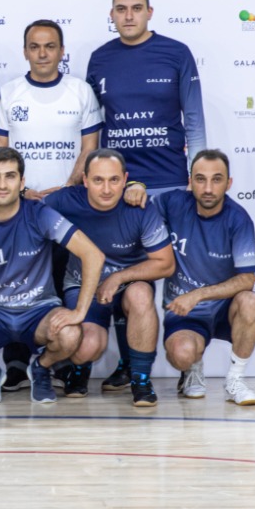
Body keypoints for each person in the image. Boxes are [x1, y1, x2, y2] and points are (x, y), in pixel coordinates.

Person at [85, 0, 206, 390]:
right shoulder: (100, 59)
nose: (129, 15)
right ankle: (129, 365)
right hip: (117, 190)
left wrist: (195, 177)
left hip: (171, 184)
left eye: (137, 8)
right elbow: (94, 127)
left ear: (149, 12)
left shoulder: (176, 53)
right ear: (112, 14)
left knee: (181, 277)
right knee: (127, 278)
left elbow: (194, 118)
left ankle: (191, 367)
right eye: (121, 9)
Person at [0, 148, 105, 406]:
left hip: (38, 311)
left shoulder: (40, 214)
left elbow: (93, 255)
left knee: (71, 333)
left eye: (10, 176)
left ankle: (41, 367)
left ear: (21, 182)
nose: (3, 185)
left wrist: (80, 311)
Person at [0, 19, 102, 391]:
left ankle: (60, 362)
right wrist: (21, 191)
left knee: (59, 283)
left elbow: (90, 148)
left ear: (62, 51)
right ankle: (15, 363)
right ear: (25, 51)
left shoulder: (80, 92)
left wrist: (68, 186)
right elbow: (0, 152)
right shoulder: (9, 93)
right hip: (20, 206)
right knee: (17, 285)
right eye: (35, 46)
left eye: (50, 46)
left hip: (68, 204)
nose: (42, 53)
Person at [44, 149, 174, 406]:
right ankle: (80, 369)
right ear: (84, 180)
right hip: (83, 283)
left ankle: (140, 379)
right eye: (98, 180)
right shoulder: (65, 200)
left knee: (140, 294)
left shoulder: (141, 207)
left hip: (129, 284)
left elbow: (166, 264)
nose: (106, 189)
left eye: (114, 180)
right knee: (87, 347)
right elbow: (19, 212)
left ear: (125, 179)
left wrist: (118, 278)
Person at [158, 150, 255, 406]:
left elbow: (247, 280)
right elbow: (134, 213)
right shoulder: (172, 203)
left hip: (224, 307)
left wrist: (197, 295)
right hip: (186, 312)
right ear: (190, 181)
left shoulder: (238, 218)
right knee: (181, 354)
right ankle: (192, 368)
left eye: (216, 180)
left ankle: (235, 380)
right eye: (200, 179)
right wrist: (135, 189)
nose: (208, 188)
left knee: (251, 301)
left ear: (229, 183)